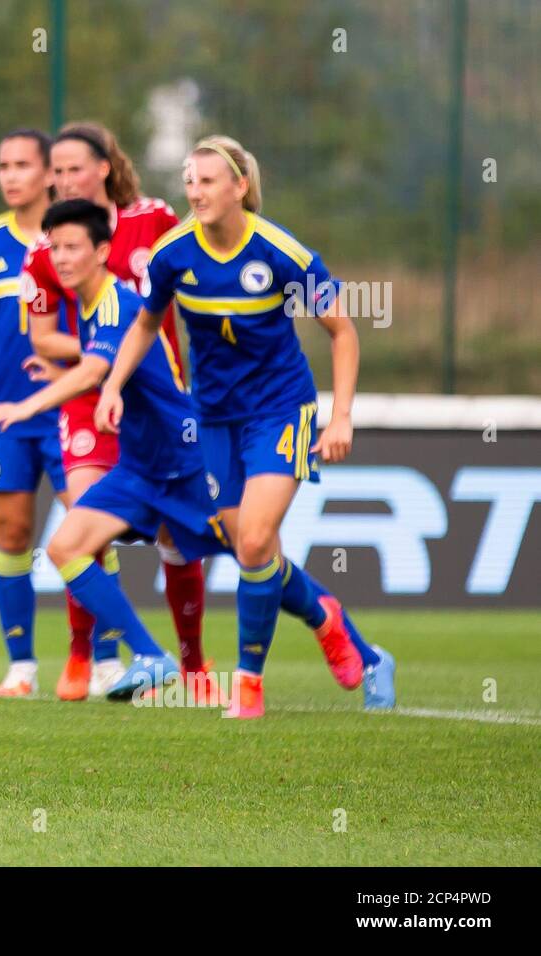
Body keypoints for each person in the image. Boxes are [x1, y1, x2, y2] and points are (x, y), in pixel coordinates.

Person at [96, 136, 396, 718]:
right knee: (252, 551)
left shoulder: (283, 253)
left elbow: (343, 332)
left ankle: (249, 685)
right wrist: (112, 386)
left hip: (281, 410)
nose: (195, 191)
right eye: (189, 180)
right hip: (212, 418)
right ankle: (343, 632)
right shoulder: (172, 255)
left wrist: (341, 416)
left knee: (255, 540)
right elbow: (143, 325)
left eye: (208, 181)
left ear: (240, 187)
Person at [19, 122, 208, 700]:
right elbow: (43, 337)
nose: (63, 179)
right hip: (89, 399)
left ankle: (191, 665)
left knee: (184, 540)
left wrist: (125, 355)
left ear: (104, 167)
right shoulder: (48, 247)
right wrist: (101, 355)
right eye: (55, 173)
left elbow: (198, 286)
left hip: (157, 404)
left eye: (74, 168)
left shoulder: (154, 219)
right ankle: (85, 654)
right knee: (81, 523)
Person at [0, 129, 80, 699]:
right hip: (4, 411)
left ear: (50, 172)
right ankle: (21, 666)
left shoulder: (78, 236)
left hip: (72, 404)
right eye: (3, 165)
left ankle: (95, 659)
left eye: (22, 164)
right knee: (13, 531)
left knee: (85, 529)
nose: (10, 175)